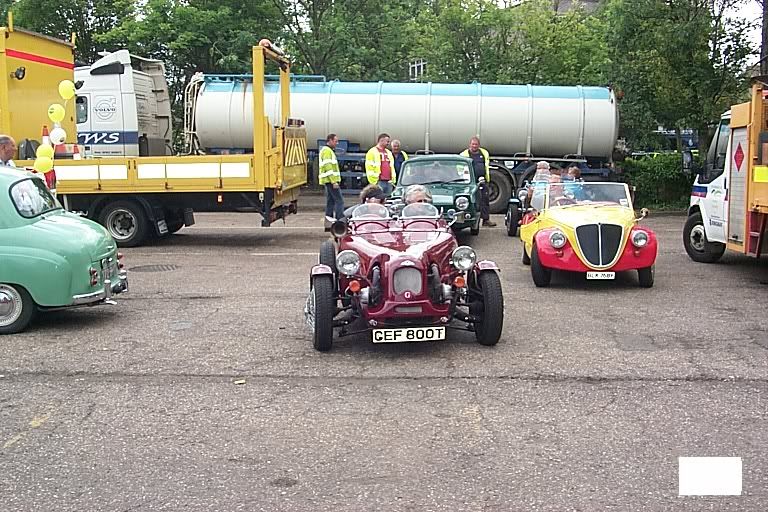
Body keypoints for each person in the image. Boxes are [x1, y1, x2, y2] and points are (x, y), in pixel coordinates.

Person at [460, 136, 495, 227]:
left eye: (476, 144)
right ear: (469, 145)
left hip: (482, 180)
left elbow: (486, 165)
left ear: (479, 145)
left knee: (485, 200)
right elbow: (459, 168)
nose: (474, 146)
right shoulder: (464, 155)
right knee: (471, 201)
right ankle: (470, 220)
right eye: (473, 144)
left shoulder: (484, 153)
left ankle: (486, 220)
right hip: (469, 182)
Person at [318, 133, 344, 224]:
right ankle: (340, 220)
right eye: (335, 141)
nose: (337, 143)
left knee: (331, 201)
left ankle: (328, 221)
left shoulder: (327, 151)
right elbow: (328, 167)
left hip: (329, 181)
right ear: (330, 140)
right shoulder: (327, 151)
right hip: (331, 181)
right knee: (339, 201)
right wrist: (334, 181)